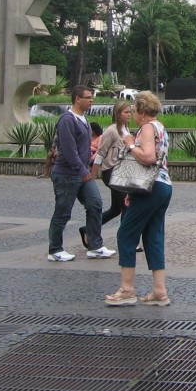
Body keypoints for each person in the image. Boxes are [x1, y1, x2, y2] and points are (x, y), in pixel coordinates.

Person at [105, 91, 172, 306]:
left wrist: (131, 144)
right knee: (153, 236)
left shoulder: (146, 128)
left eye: (134, 111)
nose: (133, 114)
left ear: (142, 112)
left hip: (149, 187)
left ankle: (127, 290)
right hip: (163, 186)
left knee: (126, 234)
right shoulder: (161, 128)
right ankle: (160, 292)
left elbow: (149, 157)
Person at [47, 85, 115, 261]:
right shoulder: (67, 120)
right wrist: (82, 169)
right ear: (77, 99)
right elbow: (69, 150)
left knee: (95, 204)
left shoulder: (84, 119)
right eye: (88, 98)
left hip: (82, 173)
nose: (91, 101)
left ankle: (95, 245)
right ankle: (55, 250)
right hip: (67, 174)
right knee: (63, 211)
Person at [88, 101, 135, 249]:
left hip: (122, 172)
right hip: (111, 172)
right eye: (126, 112)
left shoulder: (125, 130)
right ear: (117, 113)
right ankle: (126, 241)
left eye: (130, 112)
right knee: (127, 205)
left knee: (116, 209)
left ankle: (88, 230)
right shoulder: (111, 131)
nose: (129, 115)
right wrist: (92, 175)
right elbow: (100, 153)